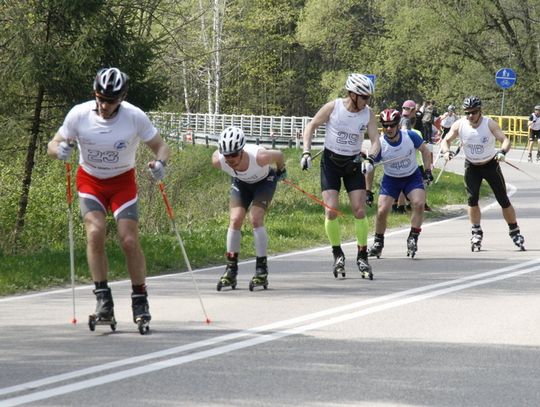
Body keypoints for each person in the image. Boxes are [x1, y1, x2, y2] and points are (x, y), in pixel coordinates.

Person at [47, 67, 171, 331]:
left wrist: (160, 163)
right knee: (95, 232)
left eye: (110, 101)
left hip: (122, 183)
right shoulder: (79, 114)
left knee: (128, 240)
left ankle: (140, 299)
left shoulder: (134, 116)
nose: (104, 105)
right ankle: (103, 300)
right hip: (90, 181)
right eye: (100, 98)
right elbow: (52, 145)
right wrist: (60, 151)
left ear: (121, 99)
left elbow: (161, 145)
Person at [300, 73, 380, 279]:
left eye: (368, 98)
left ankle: (362, 255)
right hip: (331, 163)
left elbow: (375, 141)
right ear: (352, 94)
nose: (366, 101)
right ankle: (337, 254)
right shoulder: (333, 107)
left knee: (359, 210)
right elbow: (311, 126)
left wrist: (370, 159)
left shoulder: (368, 113)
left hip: (353, 163)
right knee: (331, 211)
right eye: (364, 97)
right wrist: (306, 152)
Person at [440, 96, 525, 251]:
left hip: (491, 164)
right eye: (467, 113)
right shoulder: (460, 125)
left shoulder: (489, 124)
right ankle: (476, 231)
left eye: (473, 112)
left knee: (503, 199)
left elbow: (505, 140)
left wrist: (502, 152)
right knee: (472, 199)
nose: (470, 116)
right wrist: (446, 152)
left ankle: (514, 231)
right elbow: (445, 140)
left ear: (480, 111)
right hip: (472, 166)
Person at [212, 126, 286, 291]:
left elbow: (279, 155)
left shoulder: (260, 157)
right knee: (235, 219)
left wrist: (281, 170)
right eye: (227, 155)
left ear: (242, 151)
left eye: (234, 154)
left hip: (264, 181)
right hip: (241, 184)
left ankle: (261, 269)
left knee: (255, 217)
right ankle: (231, 270)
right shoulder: (218, 160)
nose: (230, 159)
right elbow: (218, 156)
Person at [367, 109, 432, 259]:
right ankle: (378, 242)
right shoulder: (380, 143)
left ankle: (413, 237)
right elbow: (370, 168)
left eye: (392, 125)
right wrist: (368, 191)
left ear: (397, 125)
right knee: (382, 210)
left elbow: (425, 151)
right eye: (385, 126)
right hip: (391, 179)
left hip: (412, 176)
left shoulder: (410, 136)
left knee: (419, 203)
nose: (389, 129)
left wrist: (427, 171)